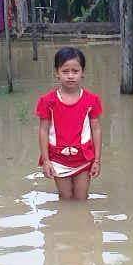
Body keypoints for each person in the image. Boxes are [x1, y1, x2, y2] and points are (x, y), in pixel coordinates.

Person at [35, 47, 102, 200]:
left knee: (81, 197)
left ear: (82, 72)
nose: (70, 76)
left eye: (75, 71)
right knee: (65, 197)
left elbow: (96, 129)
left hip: (84, 158)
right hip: (58, 158)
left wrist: (97, 160)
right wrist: (46, 161)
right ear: (57, 73)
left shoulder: (91, 100)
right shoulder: (47, 101)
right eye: (65, 71)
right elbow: (43, 130)